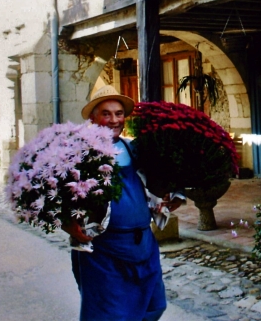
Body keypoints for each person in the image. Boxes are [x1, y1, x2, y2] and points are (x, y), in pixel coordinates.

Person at [63, 85, 181, 321]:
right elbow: (54, 193)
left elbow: (161, 176)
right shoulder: (79, 152)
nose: (114, 120)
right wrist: (68, 223)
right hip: (105, 250)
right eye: (106, 113)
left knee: (153, 307)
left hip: (143, 245)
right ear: (93, 118)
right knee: (108, 314)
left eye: (118, 113)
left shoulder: (133, 148)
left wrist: (171, 197)